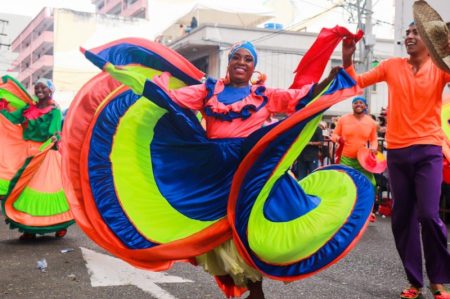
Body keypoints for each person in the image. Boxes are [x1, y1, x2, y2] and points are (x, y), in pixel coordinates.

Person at [165, 41, 338, 298]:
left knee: (246, 228)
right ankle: (248, 287)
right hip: (216, 171)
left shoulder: (264, 95)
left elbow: (301, 97)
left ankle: (256, 290)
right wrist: (142, 88)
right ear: (229, 62)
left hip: (250, 171)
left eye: (248, 59)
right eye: (237, 57)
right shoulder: (208, 90)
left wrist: (329, 80)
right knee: (218, 236)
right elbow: (172, 99)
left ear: (253, 67)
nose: (242, 63)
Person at [342, 14, 450, 299]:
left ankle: (438, 280)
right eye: (408, 32)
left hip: (428, 149)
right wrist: (347, 60)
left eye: (417, 32)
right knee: (402, 217)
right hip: (398, 152)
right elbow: (356, 82)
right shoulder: (392, 66)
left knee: (428, 214)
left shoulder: (440, 69)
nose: (410, 36)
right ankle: (415, 282)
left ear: (430, 42)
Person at [0, 78, 74, 240]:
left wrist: (54, 139)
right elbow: (12, 119)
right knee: (23, 190)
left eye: (43, 87)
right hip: (27, 151)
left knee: (47, 188)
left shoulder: (54, 111)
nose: (39, 90)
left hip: (45, 152)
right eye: (37, 87)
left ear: (50, 91)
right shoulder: (28, 108)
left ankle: (60, 225)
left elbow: (54, 131)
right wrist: (2, 109)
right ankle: (30, 228)